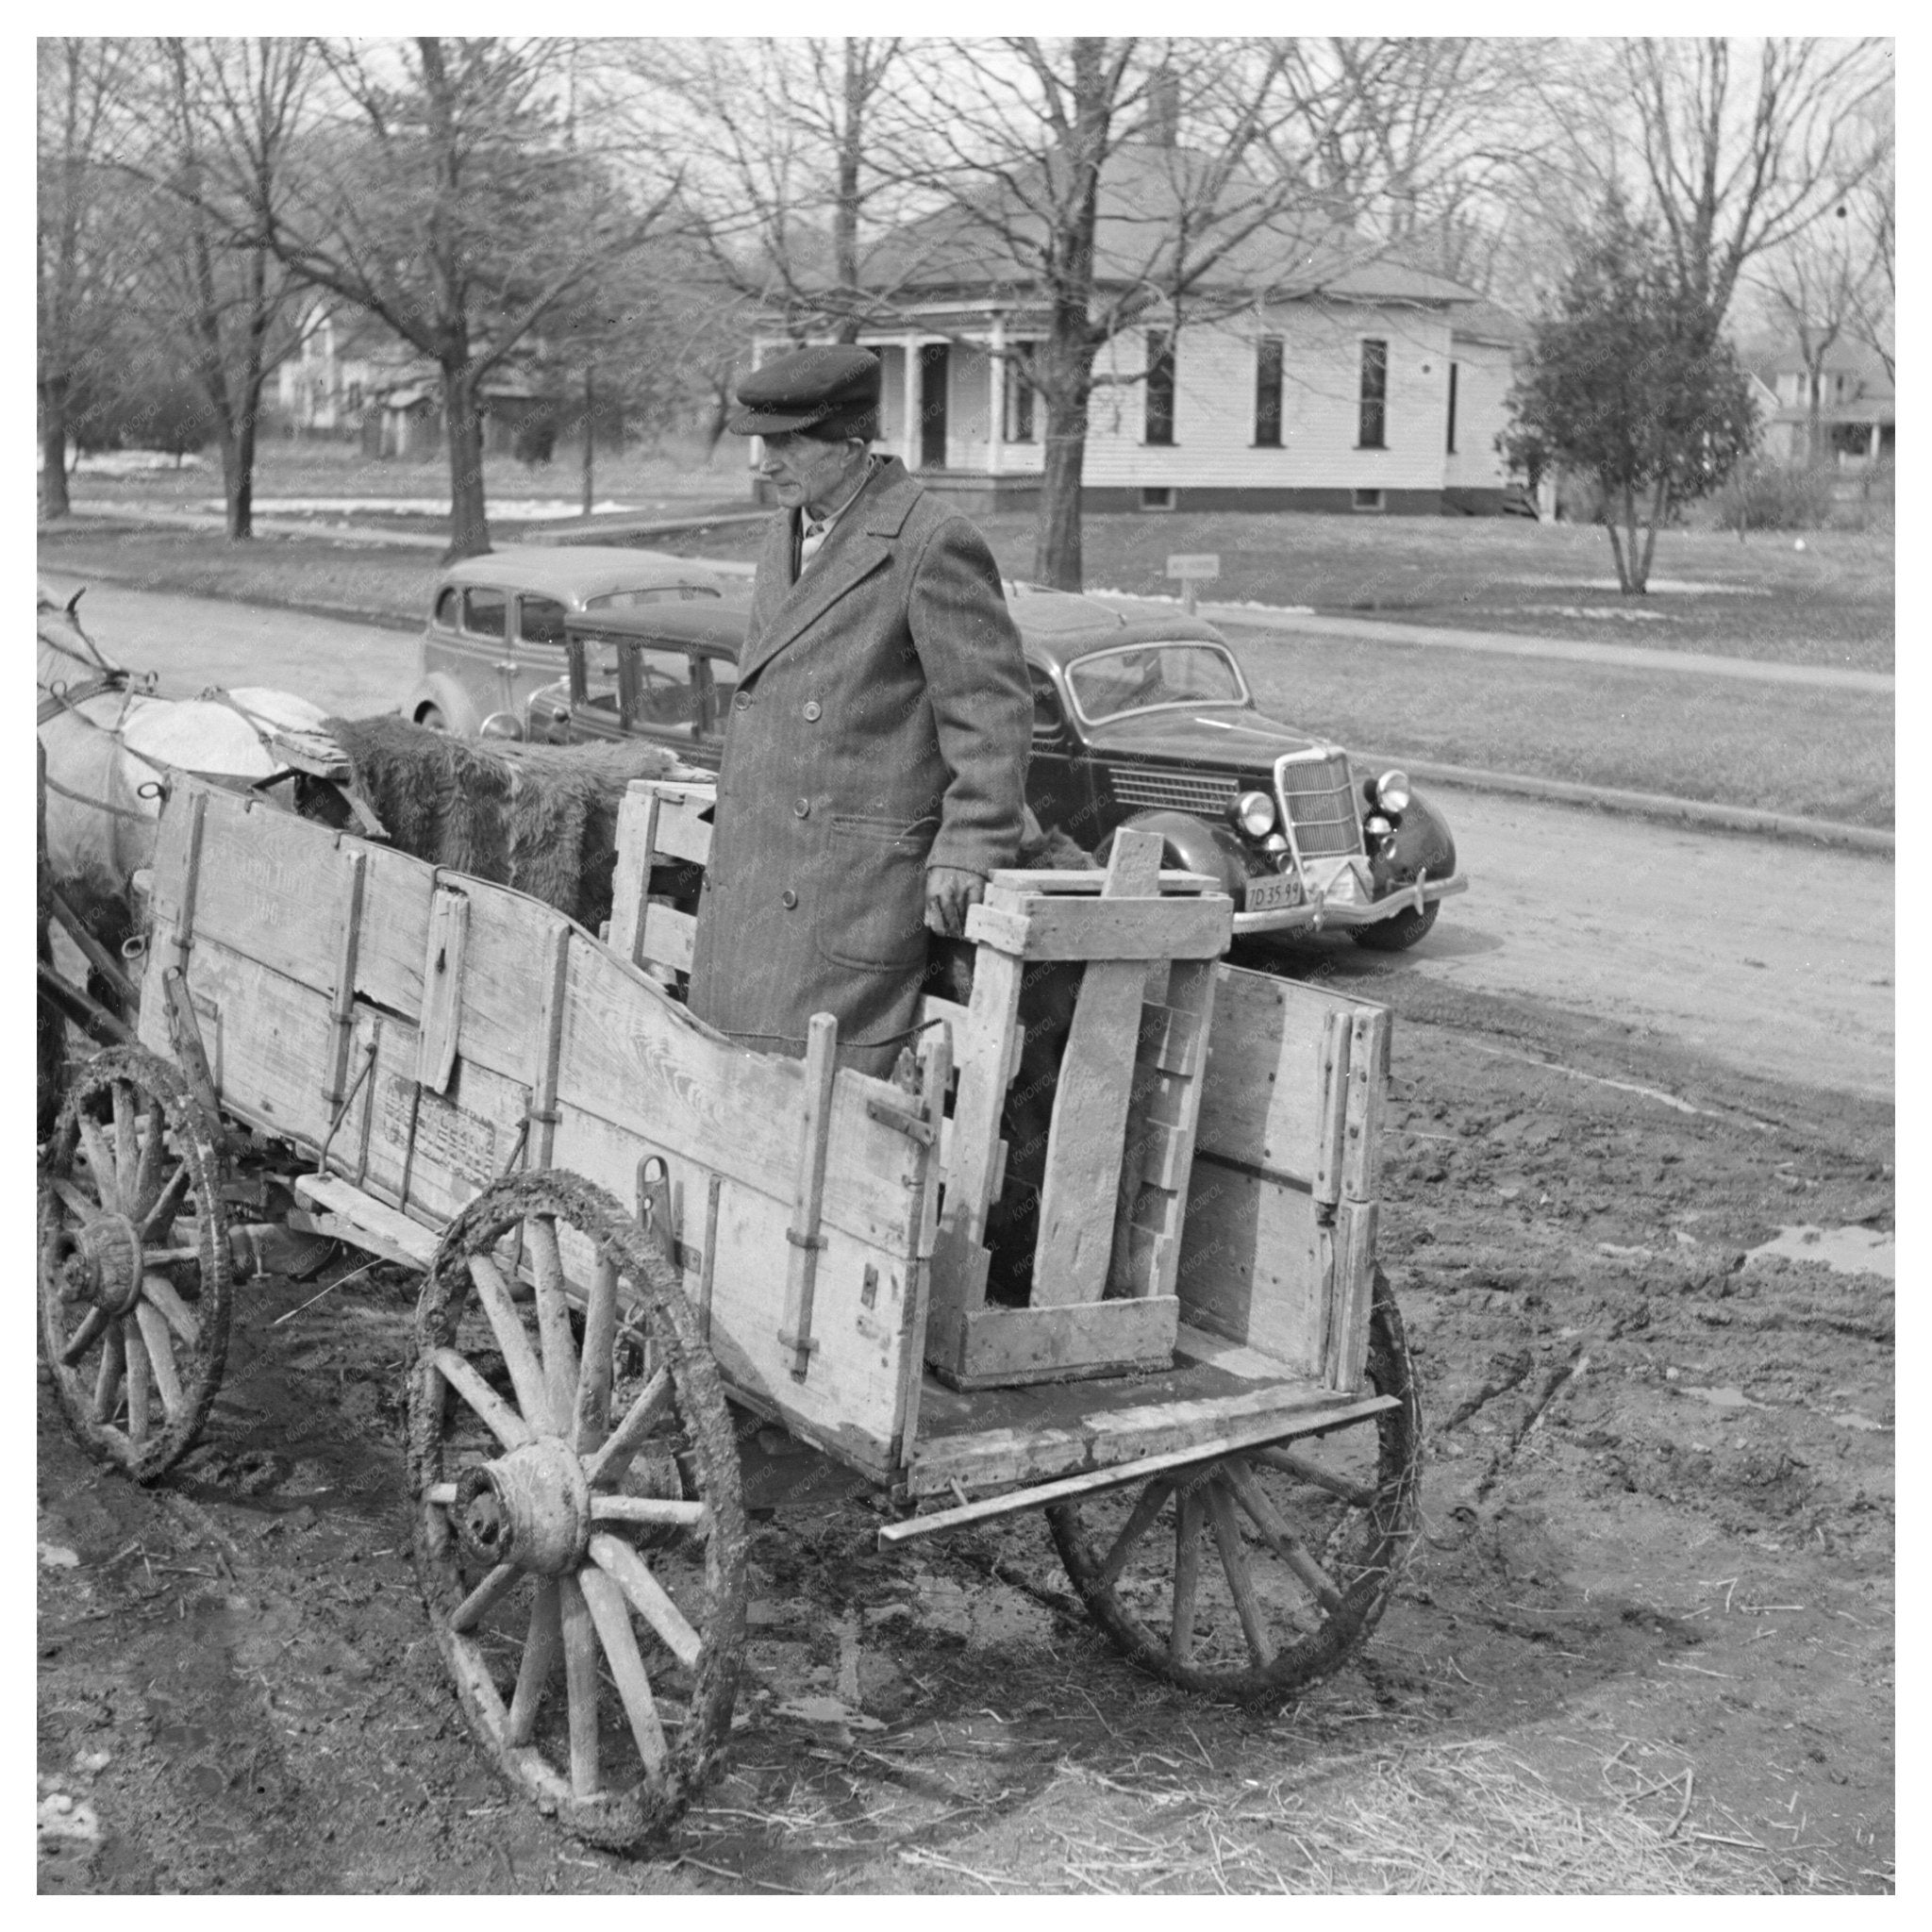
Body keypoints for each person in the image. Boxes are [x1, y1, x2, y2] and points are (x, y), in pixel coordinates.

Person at [686, 345, 1032, 1078]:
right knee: (731, 1084)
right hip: (758, 875)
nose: (768, 462)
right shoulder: (785, 530)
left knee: (815, 1104)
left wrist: (970, 846)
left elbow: (991, 713)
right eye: (762, 442)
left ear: (850, 441)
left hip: (850, 893)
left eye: (788, 442)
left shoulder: (931, 542)